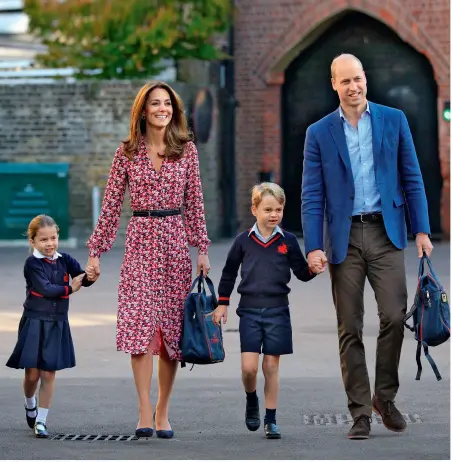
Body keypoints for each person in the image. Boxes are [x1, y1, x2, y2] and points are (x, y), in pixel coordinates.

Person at [301, 53, 434, 440]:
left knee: (394, 316)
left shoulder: (393, 120)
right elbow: (312, 195)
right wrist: (313, 246)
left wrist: (422, 230)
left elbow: (413, 178)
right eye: (345, 81)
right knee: (350, 326)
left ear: (365, 78)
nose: (353, 87)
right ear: (334, 86)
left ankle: (384, 397)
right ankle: (359, 411)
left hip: (386, 232)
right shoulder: (319, 132)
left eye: (357, 78)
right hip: (343, 238)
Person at [85, 81, 211, 439]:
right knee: (139, 329)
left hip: (174, 244)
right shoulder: (125, 153)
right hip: (140, 243)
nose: (162, 109)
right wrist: (96, 252)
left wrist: (201, 248)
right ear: (143, 110)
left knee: (171, 332)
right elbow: (110, 207)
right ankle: (143, 408)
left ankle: (162, 411)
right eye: (155, 104)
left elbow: (195, 204)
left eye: (167, 104)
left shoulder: (186, 151)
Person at [213, 182, 322, 439]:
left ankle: (271, 419)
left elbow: (301, 273)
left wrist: (313, 269)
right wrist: (222, 303)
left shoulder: (288, 241)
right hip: (249, 311)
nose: (274, 215)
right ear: (255, 210)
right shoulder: (243, 241)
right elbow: (229, 273)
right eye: (268, 209)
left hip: (278, 311)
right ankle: (252, 399)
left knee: (271, 366)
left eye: (279, 209)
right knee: (249, 368)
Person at [6, 214, 94, 438]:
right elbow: (45, 289)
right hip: (34, 322)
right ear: (33, 241)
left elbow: (81, 276)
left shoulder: (65, 259)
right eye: (44, 239)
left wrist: (91, 276)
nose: (50, 244)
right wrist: (70, 289)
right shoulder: (32, 264)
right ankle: (29, 403)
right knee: (32, 375)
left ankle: (41, 422)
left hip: (57, 324)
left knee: (49, 374)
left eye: (53, 238)